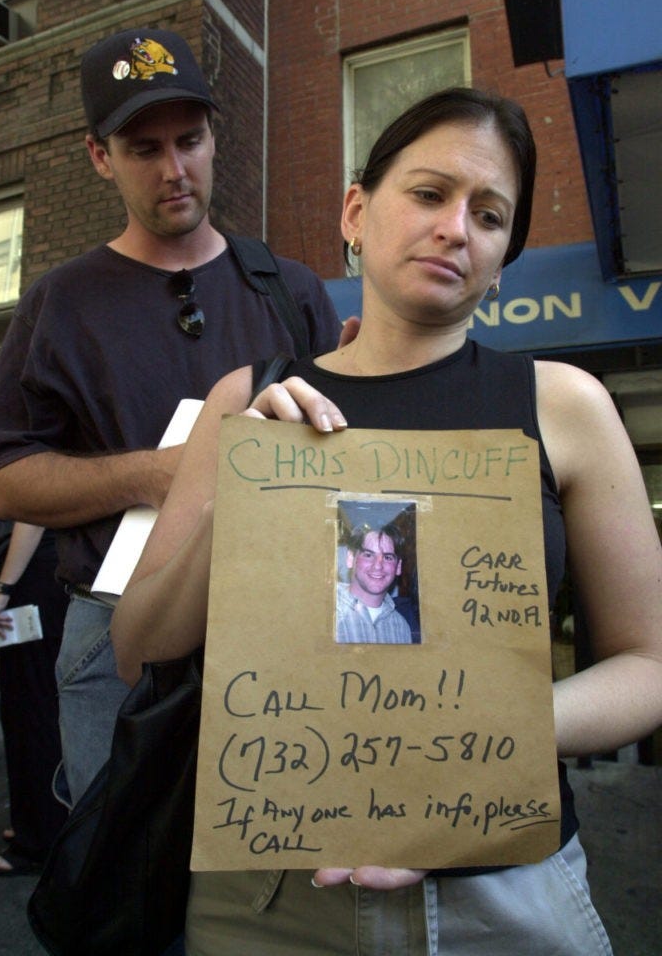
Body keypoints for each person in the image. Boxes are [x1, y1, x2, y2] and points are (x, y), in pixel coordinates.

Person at [111, 87, 662, 955]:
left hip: (503, 891)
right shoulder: (248, 400)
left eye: (490, 215)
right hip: (270, 896)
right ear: (357, 212)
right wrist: (241, 489)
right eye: (430, 193)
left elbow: (650, 662)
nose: (456, 228)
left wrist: (469, 741)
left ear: (503, 258)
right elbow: (138, 649)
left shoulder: (564, 406)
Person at [0, 26, 348, 808]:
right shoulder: (60, 302)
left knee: (272, 868)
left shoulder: (288, 289)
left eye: (189, 140)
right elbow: (5, 478)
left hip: (279, 618)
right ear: (100, 157)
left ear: (214, 138)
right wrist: (165, 474)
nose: (174, 169)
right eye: (144, 149)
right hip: (112, 636)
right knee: (124, 891)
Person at [0, 522, 68, 875]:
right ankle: (37, 824)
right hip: (50, 581)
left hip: (33, 583)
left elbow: (32, 517)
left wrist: (2, 589)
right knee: (39, 709)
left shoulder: (46, 466)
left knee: (28, 710)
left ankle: (35, 841)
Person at [336, 522, 412, 643]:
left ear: (398, 567)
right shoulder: (324, 609)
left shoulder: (402, 629)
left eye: (387, 557)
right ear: (351, 559)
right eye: (368, 555)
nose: (378, 566)